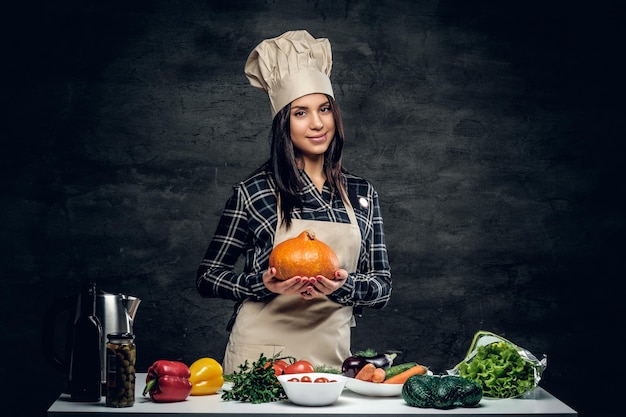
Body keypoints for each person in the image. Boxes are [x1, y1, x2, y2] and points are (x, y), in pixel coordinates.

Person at [196, 30, 392, 374]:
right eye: (301, 113)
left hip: (331, 360)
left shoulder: (363, 194)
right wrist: (261, 283)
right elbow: (209, 276)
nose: (317, 123)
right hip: (257, 360)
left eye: (325, 109)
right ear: (283, 123)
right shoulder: (253, 191)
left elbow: (382, 287)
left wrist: (344, 286)